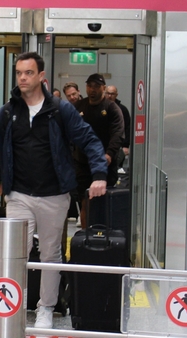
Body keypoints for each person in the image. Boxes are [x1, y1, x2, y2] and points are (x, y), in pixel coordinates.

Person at [0, 52, 108, 329]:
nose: (22, 77)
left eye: (28, 72)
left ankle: (45, 307)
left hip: (54, 194)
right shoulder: (7, 112)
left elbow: (89, 139)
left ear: (41, 76)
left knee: (50, 253)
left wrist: (99, 174)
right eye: (19, 73)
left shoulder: (60, 109)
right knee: (14, 253)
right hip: (19, 194)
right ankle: (13, 305)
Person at [73, 74, 124, 228]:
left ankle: (104, 234)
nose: (92, 90)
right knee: (85, 201)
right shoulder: (79, 106)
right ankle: (86, 235)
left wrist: (109, 154)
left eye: (96, 86)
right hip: (82, 163)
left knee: (104, 201)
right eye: (90, 86)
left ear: (103, 88)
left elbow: (117, 134)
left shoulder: (111, 108)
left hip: (105, 162)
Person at [105, 85, 132, 168]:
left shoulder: (122, 109)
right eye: (108, 93)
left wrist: (126, 145)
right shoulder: (101, 107)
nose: (109, 96)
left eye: (112, 94)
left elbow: (128, 127)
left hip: (118, 145)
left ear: (116, 95)